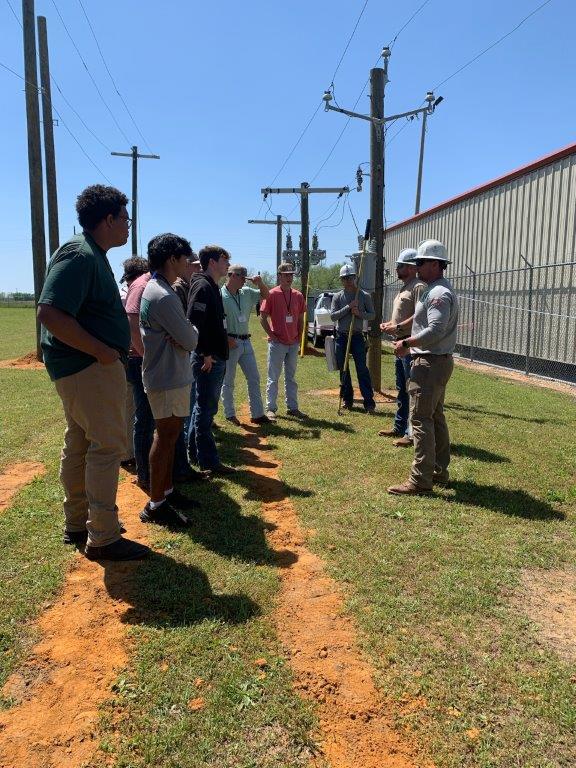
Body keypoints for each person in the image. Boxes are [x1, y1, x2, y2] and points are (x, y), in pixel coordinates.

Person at [37, 184, 148, 560]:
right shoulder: (80, 254)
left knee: (82, 443)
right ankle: (103, 535)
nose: (128, 225)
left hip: (83, 367)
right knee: (107, 446)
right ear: (108, 219)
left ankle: (78, 522)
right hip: (88, 366)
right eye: (125, 218)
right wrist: (102, 352)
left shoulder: (91, 253)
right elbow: (50, 313)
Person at [388, 239, 459, 496]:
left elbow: (435, 330)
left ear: (436, 264)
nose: (416, 267)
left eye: (420, 262)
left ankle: (420, 479)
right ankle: (438, 470)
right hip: (435, 361)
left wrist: (406, 342)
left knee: (420, 419)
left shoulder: (439, 293)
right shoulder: (434, 289)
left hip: (429, 363)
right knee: (434, 416)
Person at [139, 233, 200, 525]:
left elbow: (183, 335)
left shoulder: (158, 289)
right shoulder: (163, 295)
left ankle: (166, 492)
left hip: (168, 375)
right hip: (167, 377)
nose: (188, 262)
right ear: (172, 259)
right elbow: (189, 338)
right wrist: (188, 333)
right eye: (184, 257)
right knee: (164, 438)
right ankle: (156, 504)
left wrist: (184, 333)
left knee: (169, 436)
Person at [187, 245, 231, 474]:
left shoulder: (212, 285)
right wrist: (204, 353)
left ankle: (196, 453)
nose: (228, 264)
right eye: (224, 259)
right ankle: (208, 460)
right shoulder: (203, 285)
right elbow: (195, 322)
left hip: (214, 356)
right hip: (208, 359)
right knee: (205, 409)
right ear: (212, 262)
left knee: (203, 408)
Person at [378, 249, 425, 445]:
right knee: (401, 388)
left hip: (409, 345)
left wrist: (397, 327)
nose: (397, 268)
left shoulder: (418, 287)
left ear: (412, 267)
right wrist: (390, 323)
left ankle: (411, 433)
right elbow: (401, 316)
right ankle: (399, 426)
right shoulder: (404, 287)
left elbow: (419, 316)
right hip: (399, 343)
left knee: (411, 390)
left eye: (401, 266)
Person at [221, 265, 270, 425]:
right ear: (232, 276)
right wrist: (226, 339)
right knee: (228, 380)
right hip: (230, 342)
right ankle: (230, 414)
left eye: (245, 277)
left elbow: (266, 295)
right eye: (242, 277)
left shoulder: (247, 292)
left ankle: (257, 414)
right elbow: (214, 321)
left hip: (246, 341)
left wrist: (260, 283)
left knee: (254, 378)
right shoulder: (220, 295)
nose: (245, 280)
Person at [259, 262, 306, 421]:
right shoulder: (271, 294)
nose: (289, 278)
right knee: (273, 377)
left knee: (291, 378)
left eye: (291, 275)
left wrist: (299, 337)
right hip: (277, 344)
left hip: (293, 344)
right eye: (286, 275)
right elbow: (262, 317)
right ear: (279, 276)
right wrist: (271, 335)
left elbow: (300, 318)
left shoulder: (298, 295)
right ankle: (271, 409)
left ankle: (293, 408)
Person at [330, 263, 376, 413]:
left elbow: (372, 315)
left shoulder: (364, 296)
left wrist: (359, 313)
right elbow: (333, 316)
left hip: (357, 336)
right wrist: (348, 307)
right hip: (341, 336)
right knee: (344, 369)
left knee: (362, 369)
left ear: (355, 277)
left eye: (350, 277)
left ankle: (369, 402)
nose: (348, 280)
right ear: (341, 280)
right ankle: (347, 399)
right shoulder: (337, 297)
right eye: (344, 278)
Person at [119, 256, 148, 470]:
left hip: (124, 357)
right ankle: (131, 453)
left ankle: (127, 451)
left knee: (129, 407)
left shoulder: (121, 294)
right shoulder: (141, 292)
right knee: (136, 408)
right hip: (135, 357)